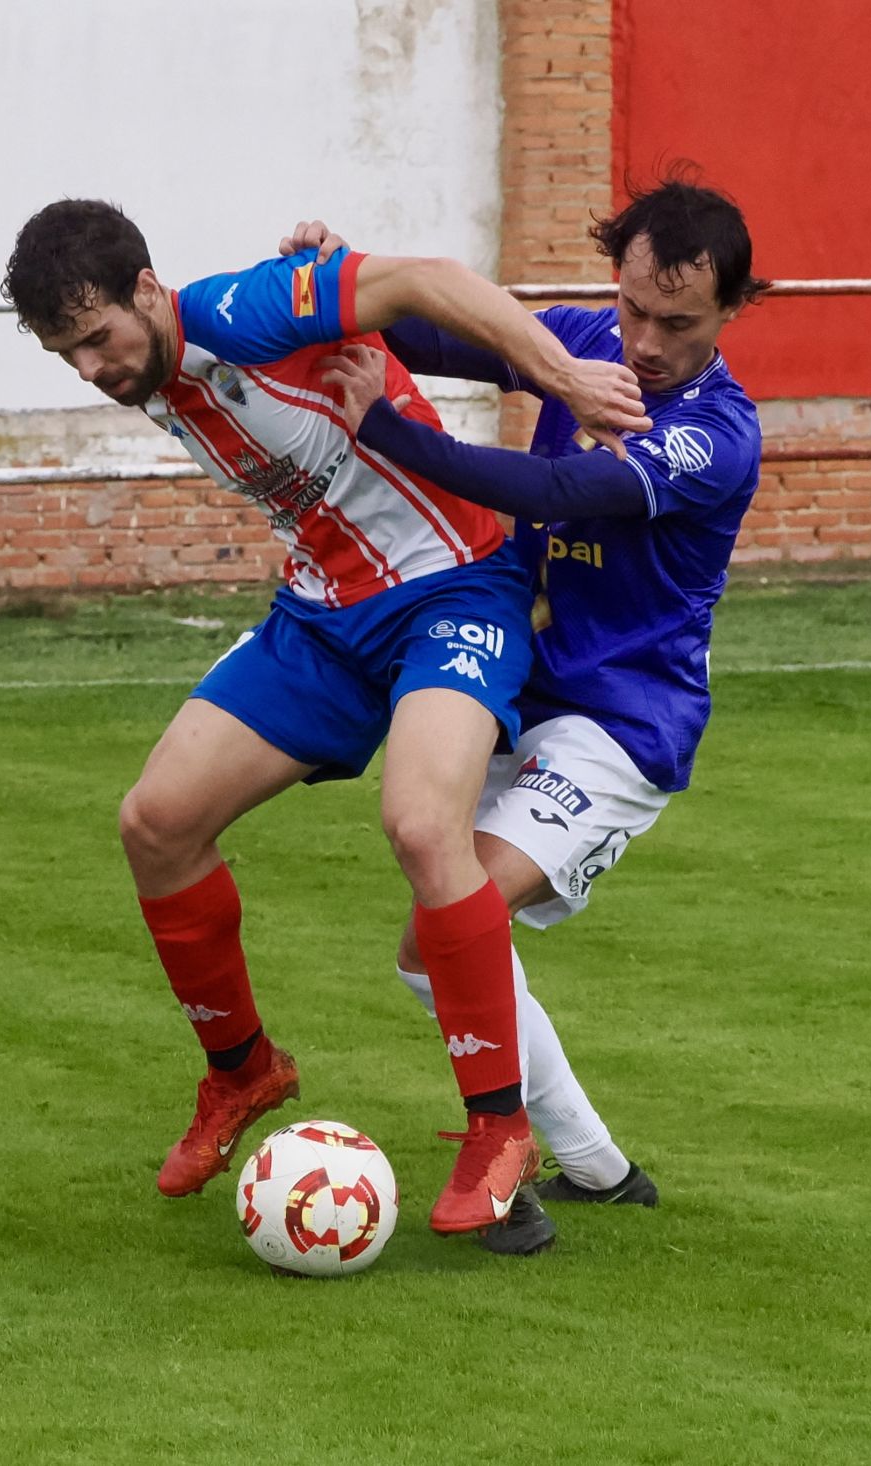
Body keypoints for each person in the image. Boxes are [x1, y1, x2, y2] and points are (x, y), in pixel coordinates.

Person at [0, 199, 649, 1241]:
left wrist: (564, 377)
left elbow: (426, 279)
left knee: (424, 825)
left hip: (453, 589)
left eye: (97, 338)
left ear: (149, 293)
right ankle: (243, 1070)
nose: (88, 370)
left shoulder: (241, 313)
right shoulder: (155, 366)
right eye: (63, 354)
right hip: (323, 616)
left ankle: (499, 1126)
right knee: (155, 822)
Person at [290, 177, 767, 1236]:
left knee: (448, 923)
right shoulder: (582, 339)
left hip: (621, 727)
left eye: (676, 322)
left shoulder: (717, 433)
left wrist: (392, 434)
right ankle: (593, 1167)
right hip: (527, 688)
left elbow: (558, 493)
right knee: (437, 941)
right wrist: (336, 283)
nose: (641, 340)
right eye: (633, 307)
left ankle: (512, 1155)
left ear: (733, 311)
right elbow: (435, 337)